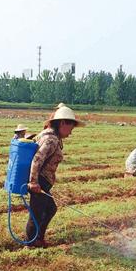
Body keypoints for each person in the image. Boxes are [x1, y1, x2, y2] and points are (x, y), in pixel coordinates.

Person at [25, 103, 83, 248]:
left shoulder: (49, 134)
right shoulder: (51, 139)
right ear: (63, 123)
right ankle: (30, 244)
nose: (71, 132)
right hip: (40, 181)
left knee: (50, 209)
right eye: (71, 127)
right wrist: (33, 182)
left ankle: (38, 239)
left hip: (42, 180)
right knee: (36, 214)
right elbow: (37, 159)